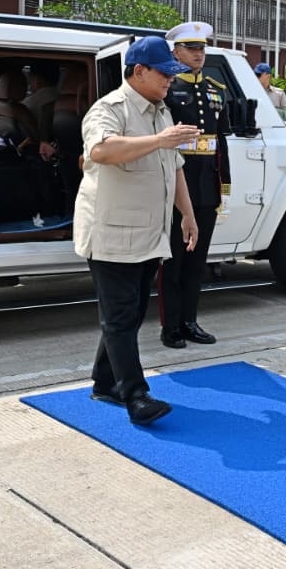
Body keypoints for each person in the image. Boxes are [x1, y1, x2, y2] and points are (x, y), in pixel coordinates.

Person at [72, 36, 201, 425]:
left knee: (128, 314)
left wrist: (188, 215)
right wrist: (159, 140)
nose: (170, 81)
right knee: (121, 317)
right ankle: (136, 395)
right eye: (164, 73)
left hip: (148, 234)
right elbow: (101, 151)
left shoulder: (161, 111)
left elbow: (174, 165)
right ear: (138, 70)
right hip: (111, 235)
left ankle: (105, 381)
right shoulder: (109, 109)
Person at [158, 21, 230, 348]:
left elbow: (221, 144)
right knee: (172, 262)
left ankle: (190, 321)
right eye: (192, 48)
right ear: (176, 51)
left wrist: (223, 187)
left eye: (202, 48)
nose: (199, 54)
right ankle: (170, 326)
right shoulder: (168, 90)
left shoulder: (216, 88)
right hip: (177, 184)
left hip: (206, 186)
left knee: (197, 261)